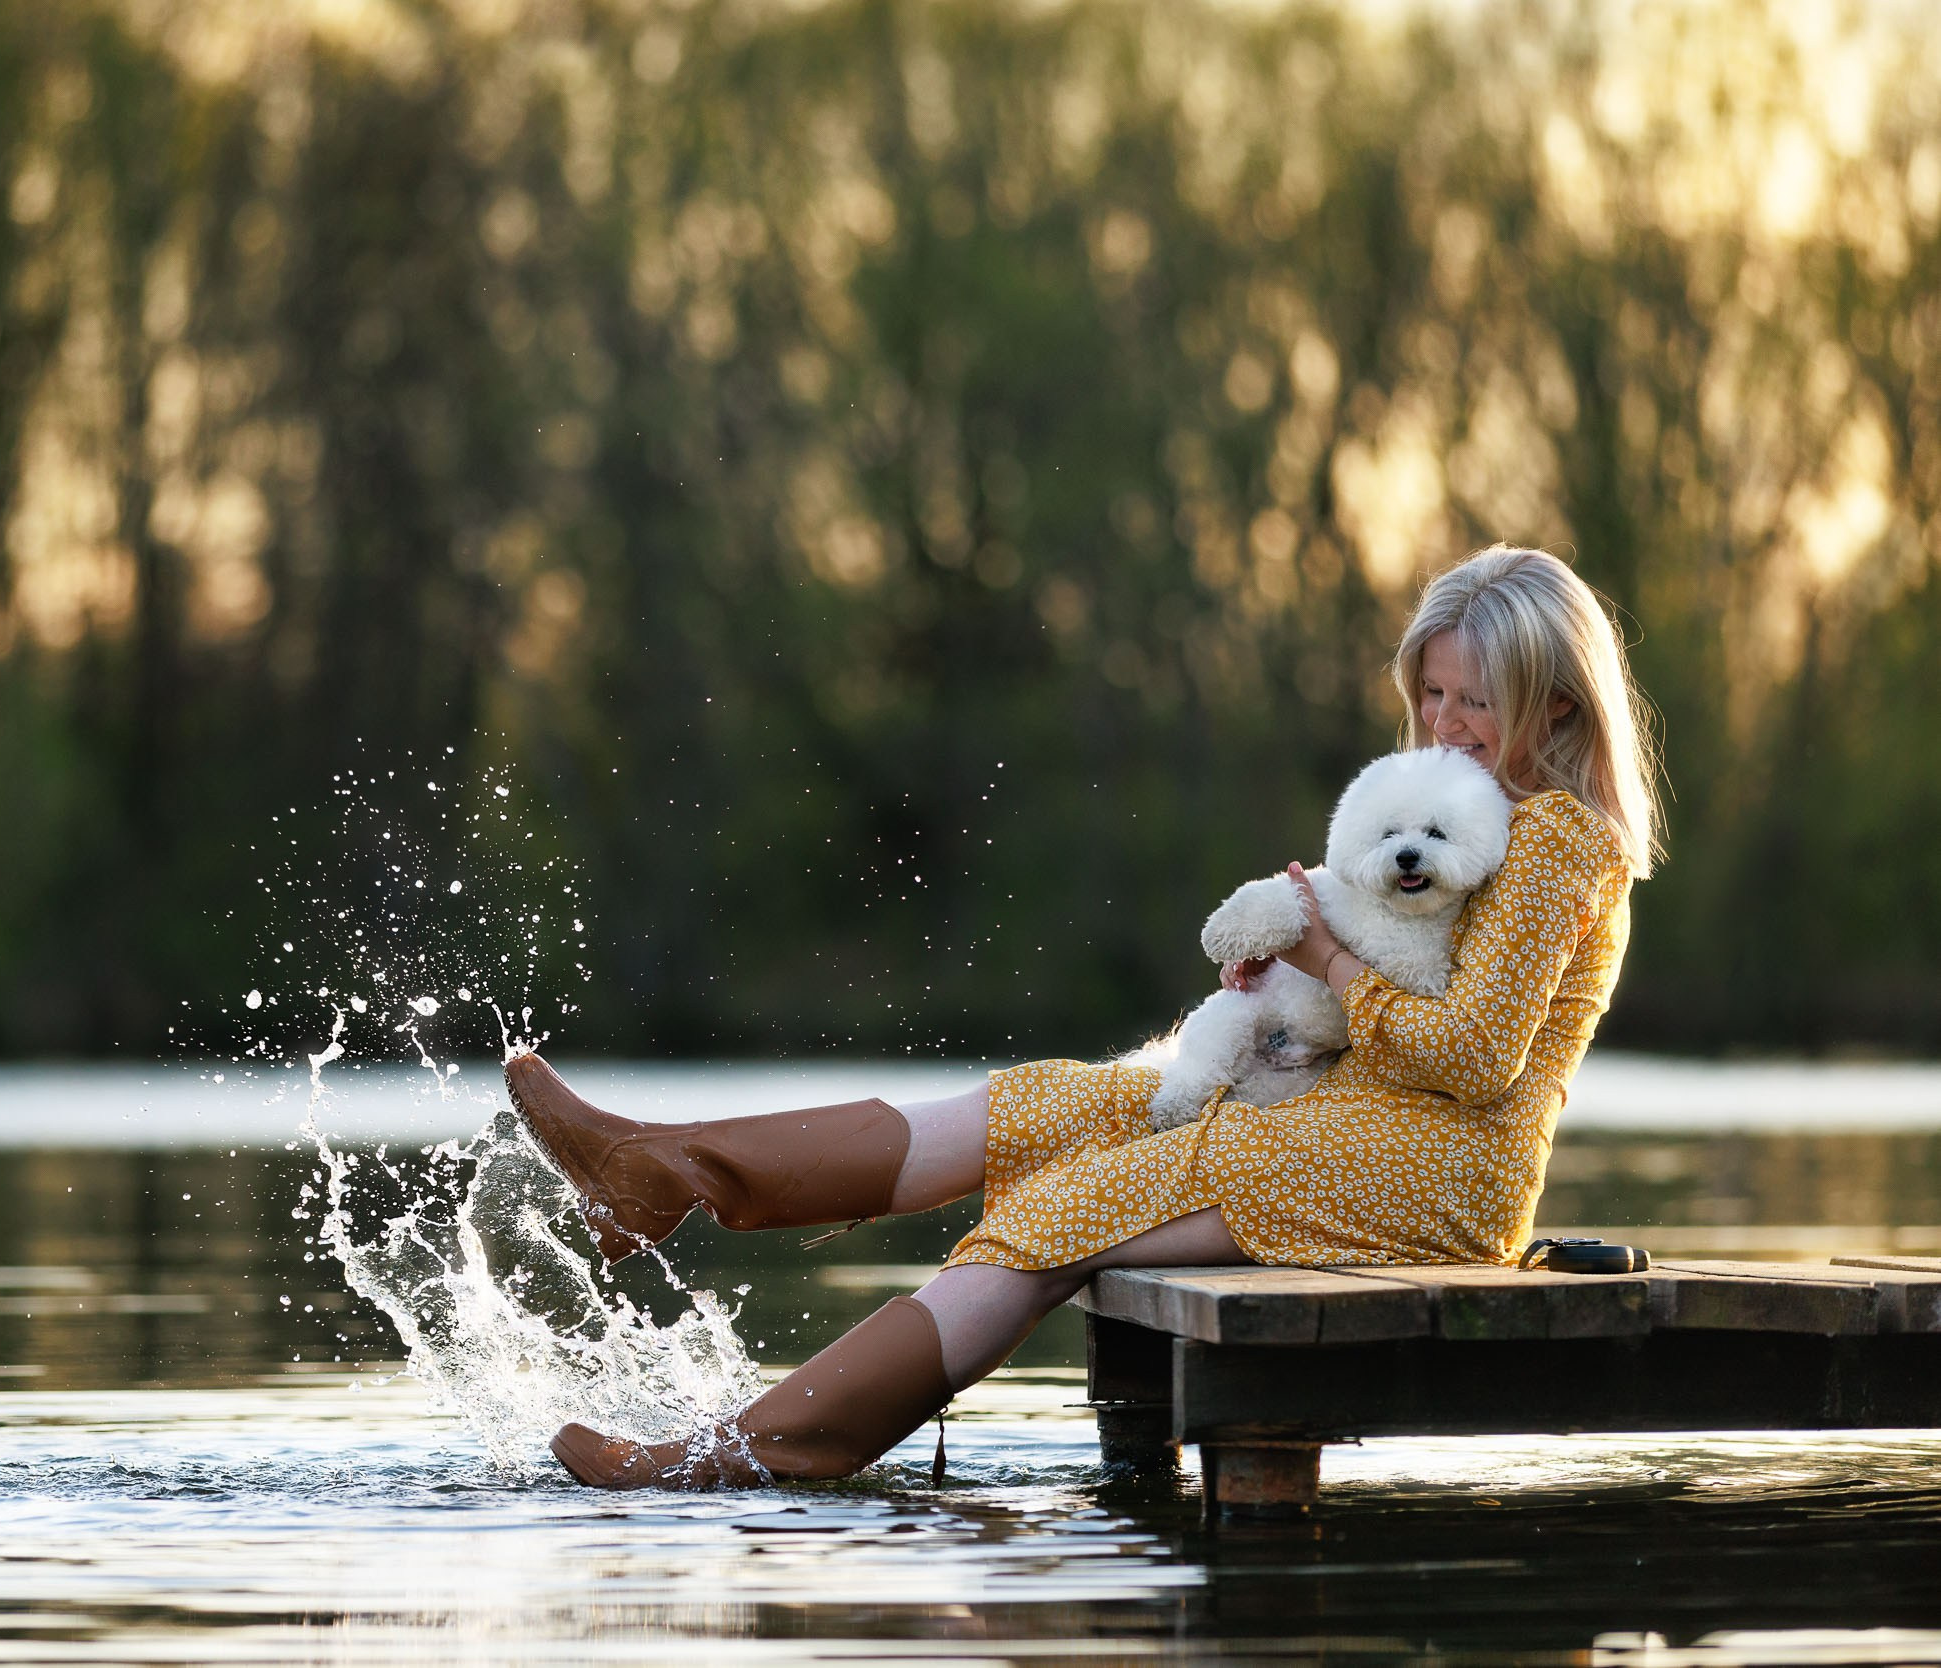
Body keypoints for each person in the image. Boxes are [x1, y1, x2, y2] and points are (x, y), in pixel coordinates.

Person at [511, 544, 1664, 1489]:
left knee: (1062, 1206)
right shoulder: (1449, 807)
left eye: (1477, 701)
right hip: (1334, 1110)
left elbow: (1470, 1059)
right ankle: (661, 1173)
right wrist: (1287, 981)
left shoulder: (1559, 839)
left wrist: (1323, 952)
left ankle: (747, 1456)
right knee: (1047, 1102)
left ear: (1554, 703)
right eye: (1431, 692)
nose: (1445, 721)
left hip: (1432, 1167)